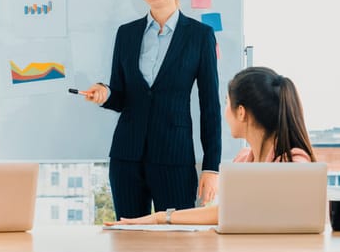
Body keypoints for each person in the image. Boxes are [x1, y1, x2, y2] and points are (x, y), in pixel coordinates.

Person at [85, 0, 221, 219]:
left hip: (175, 157)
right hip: (126, 157)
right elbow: (121, 97)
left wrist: (211, 168)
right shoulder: (126, 34)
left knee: (177, 244)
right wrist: (105, 94)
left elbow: (210, 106)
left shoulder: (200, 36)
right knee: (128, 241)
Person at [105, 66, 316, 226]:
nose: (224, 112)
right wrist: (157, 219)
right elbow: (224, 212)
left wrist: (160, 218)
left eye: (226, 103)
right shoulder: (243, 160)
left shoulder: (294, 163)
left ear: (241, 112)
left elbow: (231, 212)